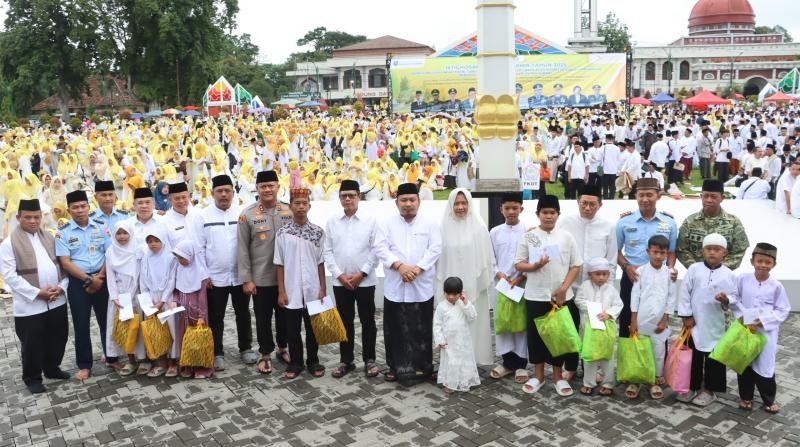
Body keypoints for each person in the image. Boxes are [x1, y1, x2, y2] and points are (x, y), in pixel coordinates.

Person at [374, 182, 442, 385]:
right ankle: (395, 368)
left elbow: (435, 248)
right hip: (396, 285)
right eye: (403, 200)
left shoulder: (430, 224)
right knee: (395, 329)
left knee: (422, 328)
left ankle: (424, 368)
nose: (408, 204)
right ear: (396, 203)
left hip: (421, 285)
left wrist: (418, 269)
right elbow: (380, 247)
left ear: (419, 201)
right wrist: (400, 266)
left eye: (412, 200)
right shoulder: (386, 223)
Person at [514, 195, 582, 396]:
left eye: (552, 212)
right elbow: (518, 264)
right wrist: (535, 266)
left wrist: (563, 289)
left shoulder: (567, 237)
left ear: (558, 214)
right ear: (538, 214)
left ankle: (558, 377)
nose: (549, 216)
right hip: (535, 295)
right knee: (536, 337)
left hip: (561, 297)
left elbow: (576, 265)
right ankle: (538, 376)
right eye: (545, 212)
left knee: (558, 336)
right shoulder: (529, 236)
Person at [0, 199, 70, 393]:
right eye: (28, 217)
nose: (33, 221)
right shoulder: (8, 244)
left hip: (56, 299)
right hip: (30, 304)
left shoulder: (49, 237)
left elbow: (62, 266)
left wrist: (61, 288)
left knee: (58, 337)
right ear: (18, 217)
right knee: (32, 343)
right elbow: (10, 276)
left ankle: (52, 368)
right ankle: (32, 378)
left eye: (37, 217)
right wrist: (38, 293)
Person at [194, 174, 255, 371]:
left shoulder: (242, 214)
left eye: (227, 191)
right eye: (219, 191)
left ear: (233, 193)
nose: (223, 194)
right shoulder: (203, 216)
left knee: (243, 313)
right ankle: (217, 352)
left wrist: (249, 274)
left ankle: (245, 348)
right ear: (212, 193)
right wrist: (204, 275)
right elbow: (199, 248)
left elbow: (249, 244)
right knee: (215, 316)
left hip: (240, 276)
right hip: (215, 277)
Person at [322, 179, 380, 378]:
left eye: (351, 195)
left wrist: (361, 274)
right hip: (341, 282)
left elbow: (376, 250)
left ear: (359, 197)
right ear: (339, 198)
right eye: (344, 196)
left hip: (365, 281)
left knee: (367, 321)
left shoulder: (370, 220)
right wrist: (339, 275)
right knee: (344, 321)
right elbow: (327, 251)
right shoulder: (332, 221)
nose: (348, 199)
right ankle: (346, 360)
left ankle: (369, 359)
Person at [56, 190, 114, 380]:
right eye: (75, 207)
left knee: (107, 321)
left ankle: (112, 358)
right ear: (69, 210)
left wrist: (99, 277)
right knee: (81, 324)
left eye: (83, 206)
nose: (80, 210)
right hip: (78, 282)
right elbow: (65, 262)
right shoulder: (63, 233)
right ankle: (84, 365)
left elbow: (109, 254)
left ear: (89, 207)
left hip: (102, 278)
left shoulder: (101, 226)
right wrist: (89, 280)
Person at [238, 170, 292, 373]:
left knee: (284, 317)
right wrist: (247, 279)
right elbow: (242, 249)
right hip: (260, 278)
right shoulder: (247, 215)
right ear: (257, 189)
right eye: (263, 186)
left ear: (278, 187)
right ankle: (265, 353)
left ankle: (283, 348)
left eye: (271, 185)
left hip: (286, 278)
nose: (268, 189)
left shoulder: (289, 210)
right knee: (262, 318)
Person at [677, 233, 737, 407]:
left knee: (714, 358)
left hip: (715, 323)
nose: (712, 252)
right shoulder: (694, 269)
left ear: (724, 253)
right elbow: (684, 293)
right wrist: (687, 316)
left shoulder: (729, 275)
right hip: (694, 322)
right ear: (703, 251)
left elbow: (735, 297)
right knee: (692, 357)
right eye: (709, 249)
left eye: (717, 249)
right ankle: (691, 387)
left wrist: (726, 299)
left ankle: (710, 391)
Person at [437, 188, 495, 366]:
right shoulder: (443, 228)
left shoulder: (479, 228)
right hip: (450, 288)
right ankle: (452, 363)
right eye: (456, 203)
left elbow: (486, 259)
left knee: (472, 319)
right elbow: (439, 259)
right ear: (450, 205)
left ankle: (473, 360)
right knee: (451, 323)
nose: (460, 207)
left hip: (473, 284)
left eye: (464, 203)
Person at [615, 178, 678, 338]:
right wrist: (626, 267)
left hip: (659, 277)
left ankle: (657, 353)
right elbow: (615, 250)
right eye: (641, 195)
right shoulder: (624, 222)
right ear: (635, 196)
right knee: (627, 319)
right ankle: (627, 352)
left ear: (658, 196)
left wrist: (670, 269)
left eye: (649, 195)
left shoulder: (669, 222)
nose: (645, 199)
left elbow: (671, 251)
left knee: (658, 320)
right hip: (632, 276)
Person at [274, 188, 326, 379]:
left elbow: (321, 262)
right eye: (297, 203)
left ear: (309, 206)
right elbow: (279, 264)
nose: (301, 207)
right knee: (293, 329)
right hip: (292, 289)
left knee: (313, 329)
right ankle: (296, 362)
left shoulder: (318, 232)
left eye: (304, 203)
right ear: (290, 206)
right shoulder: (283, 233)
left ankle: (313, 361)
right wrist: (281, 291)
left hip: (313, 289)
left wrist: (322, 288)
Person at [733, 243, 790, 414]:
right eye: (759, 261)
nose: (763, 265)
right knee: (745, 362)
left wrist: (763, 321)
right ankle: (746, 397)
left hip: (766, 332)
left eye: (768, 262)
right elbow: (735, 299)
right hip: (744, 328)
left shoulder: (777, 286)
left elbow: (783, 309)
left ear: (774, 264)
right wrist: (744, 318)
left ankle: (768, 399)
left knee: (765, 365)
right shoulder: (742, 279)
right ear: (752, 261)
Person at [629, 235, 676, 400]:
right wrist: (633, 320)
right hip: (641, 319)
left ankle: (654, 381)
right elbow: (635, 296)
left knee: (658, 351)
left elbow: (671, 298)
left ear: (667, 254)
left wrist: (665, 319)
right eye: (655, 252)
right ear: (648, 251)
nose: (658, 256)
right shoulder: (640, 271)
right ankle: (636, 380)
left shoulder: (670, 273)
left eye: (662, 253)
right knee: (640, 349)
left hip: (659, 321)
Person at [489, 192, 529, 383]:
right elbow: (490, 258)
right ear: (501, 209)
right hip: (502, 285)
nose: (511, 211)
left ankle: (521, 365)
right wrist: (499, 274)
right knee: (503, 323)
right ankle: (507, 363)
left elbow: (534, 257)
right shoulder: (494, 232)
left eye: (515, 208)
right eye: (507, 208)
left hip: (522, 284)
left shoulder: (529, 231)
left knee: (521, 324)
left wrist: (521, 277)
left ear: (521, 209)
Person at [574, 257, 622, 397]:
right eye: (598, 274)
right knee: (590, 356)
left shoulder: (611, 289)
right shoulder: (584, 286)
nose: (601, 277)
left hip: (606, 330)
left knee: (608, 356)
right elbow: (579, 301)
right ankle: (588, 383)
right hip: (589, 329)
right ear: (590, 274)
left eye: (604, 274)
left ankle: (608, 384)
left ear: (609, 274)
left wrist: (608, 314)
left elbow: (618, 305)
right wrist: (593, 309)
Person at [104, 220, 146, 376]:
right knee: (125, 328)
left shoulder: (138, 249)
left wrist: (136, 293)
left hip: (137, 293)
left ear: (131, 233)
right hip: (120, 297)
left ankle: (144, 360)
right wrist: (114, 297)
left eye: (125, 233)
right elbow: (110, 276)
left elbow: (143, 272)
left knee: (139, 327)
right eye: (118, 233)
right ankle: (131, 360)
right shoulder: (111, 251)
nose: (122, 237)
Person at [171, 239, 214, 379]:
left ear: (190, 255)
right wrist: (174, 301)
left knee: (199, 340)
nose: (180, 261)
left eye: (183, 258)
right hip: (182, 314)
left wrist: (202, 315)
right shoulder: (179, 269)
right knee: (186, 340)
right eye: (178, 258)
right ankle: (187, 366)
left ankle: (202, 368)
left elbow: (202, 297)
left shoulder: (200, 272)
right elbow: (176, 290)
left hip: (196, 314)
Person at [138, 227, 177, 377]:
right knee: (156, 331)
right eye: (149, 241)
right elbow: (143, 281)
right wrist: (149, 305)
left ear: (163, 241)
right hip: (151, 299)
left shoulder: (171, 257)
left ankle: (173, 363)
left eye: (156, 240)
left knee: (171, 330)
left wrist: (161, 302)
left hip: (167, 298)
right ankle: (162, 363)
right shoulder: (146, 258)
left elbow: (172, 280)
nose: (153, 244)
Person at [433, 276, 480, 394]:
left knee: (463, 361)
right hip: (449, 342)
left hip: (463, 340)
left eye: (454, 294)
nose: (451, 297)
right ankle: (450, 384)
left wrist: (466, 302)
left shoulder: (463, 304)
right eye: (448, 294)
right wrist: (440, 340)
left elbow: (473, 316)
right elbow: (437, 325)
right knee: (451, 362)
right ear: (444, 292)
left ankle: (464, 382)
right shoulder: (441, 307)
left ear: (460, 293)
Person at [161, 182, 199, 246]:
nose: (181, 201)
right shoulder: (164, 221)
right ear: (170, 200)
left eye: (184, 197)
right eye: (177, 198)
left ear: (189, 197)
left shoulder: (199, 214)